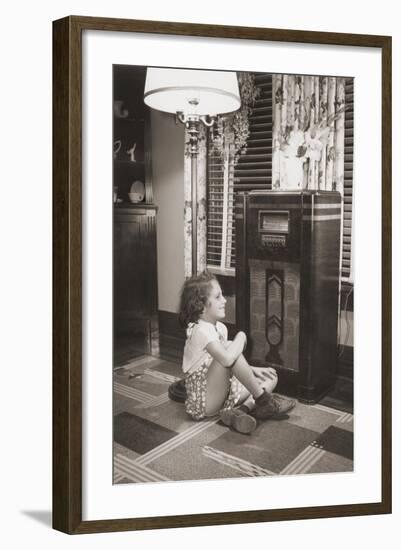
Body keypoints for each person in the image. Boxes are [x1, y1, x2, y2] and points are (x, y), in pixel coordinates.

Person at [178, 270, 296, 434]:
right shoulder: (199, 330)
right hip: (204, 401)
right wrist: (241, 336)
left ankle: (240, 412)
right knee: (230, 348)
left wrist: (253, 370)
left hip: (223, 394)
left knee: (271, 377)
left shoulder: (220, 328)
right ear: (201, 305)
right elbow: (226, 360)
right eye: (218, 297)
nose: (224, 300)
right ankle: (263, 401)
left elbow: (231, 361)